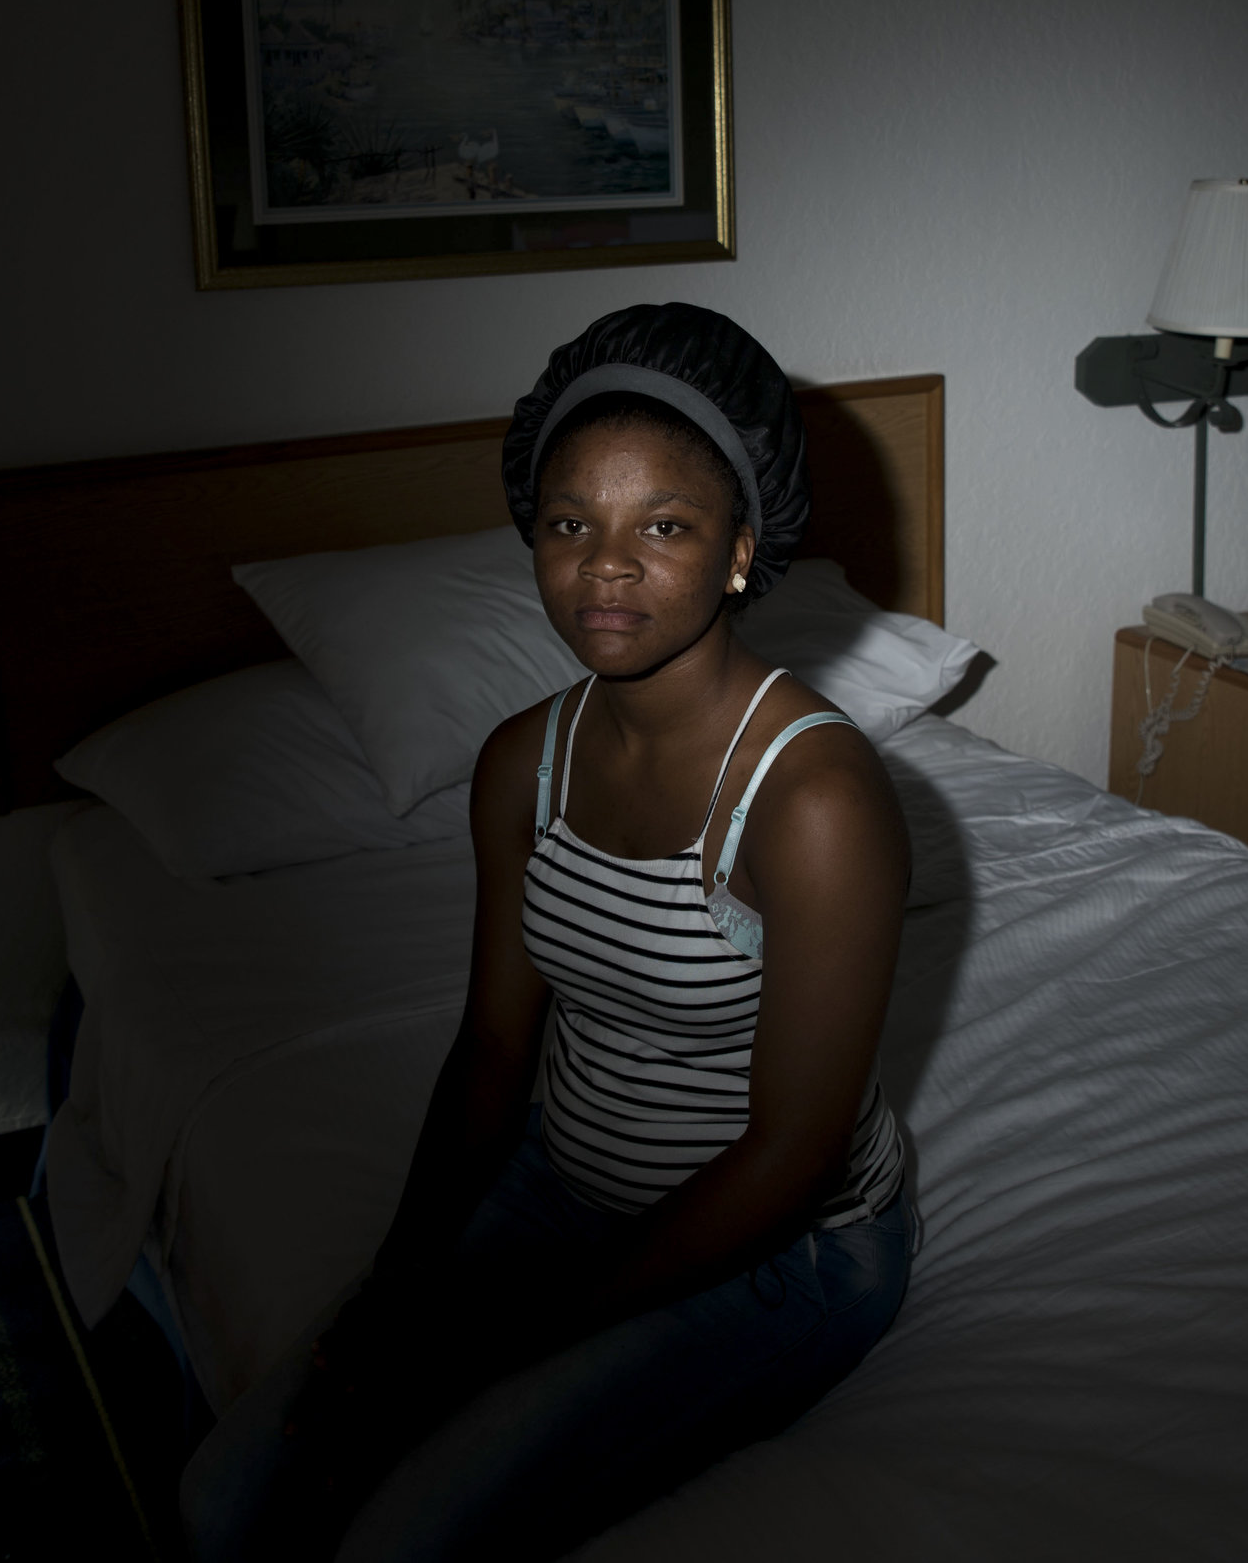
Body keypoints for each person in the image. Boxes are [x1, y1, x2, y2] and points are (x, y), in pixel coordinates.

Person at [182, 305, 915, 1561]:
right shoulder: (523, 759)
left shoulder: (815, 799)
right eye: (571, 523)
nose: (606, 567)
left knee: (407, 1532)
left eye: (664, 526)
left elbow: (789, 1157)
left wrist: (505, 1339)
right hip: (555, 1186)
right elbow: (489, 1051)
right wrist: (396, 1288)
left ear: (742, 548)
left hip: (780, 1245)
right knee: (225, 1500)